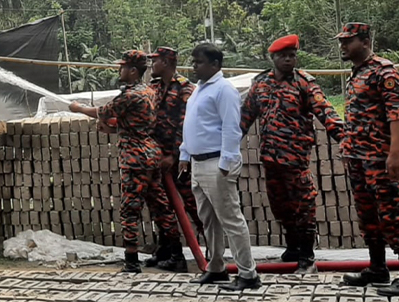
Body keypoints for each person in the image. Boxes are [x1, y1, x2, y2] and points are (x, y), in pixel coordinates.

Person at [68, 50, 184, 274]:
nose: (119, 70)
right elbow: (133, 123)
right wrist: (113, 129)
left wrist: (78, 108)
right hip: (151, 155)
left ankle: (131, 261)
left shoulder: (130, 95)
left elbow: (103, 111)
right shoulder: (150, 92)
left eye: (122, 67)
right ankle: (176, 254)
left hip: (135, 159)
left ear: (132, 71)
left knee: (130, 210)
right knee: (161, 207)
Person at [240, 34, 343, 274]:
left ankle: (307, 256)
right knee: (280, 206)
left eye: (292, 56)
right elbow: (244, 119)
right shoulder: (261, 84)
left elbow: (326, 113)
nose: (289, 60)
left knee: (303, 206)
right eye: (283, 56)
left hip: (295, 160)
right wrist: (225, 147)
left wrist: (346, 139)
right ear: (273, 57)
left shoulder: (304, 83)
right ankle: (293, 247)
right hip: (270, 160)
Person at [336, 23, 399, 297]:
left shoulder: (384, 71)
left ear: (364, 41)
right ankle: (377, 268)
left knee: (393, 215)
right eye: (341, 41)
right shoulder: (357, 73)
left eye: (347, 41)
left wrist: (395, 153)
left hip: (379, 159)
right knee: (368, 217)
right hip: (359, 159)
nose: (342, 46)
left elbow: (396, 114)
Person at [179, 43, 261, 291]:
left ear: (215, 65)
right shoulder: (198, 90)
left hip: (216, 163)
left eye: (199, 62)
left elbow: (231, 128)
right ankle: (216, 268)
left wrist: (227, 162)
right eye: (193, 61)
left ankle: (248, 274)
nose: (194, 66)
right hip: (198, 162)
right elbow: (191, 126)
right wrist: (185, 153)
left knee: (230, 219)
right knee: (208, 220)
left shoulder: (223, 90)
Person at [144, 46, 202, 272]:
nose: (152, 66)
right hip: (156, 158)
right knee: (161, 207)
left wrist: (174, 154)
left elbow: (186, 124)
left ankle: (212, 250)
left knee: (193, 203)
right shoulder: (154, 87)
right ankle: (167, 250)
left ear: (167, 63)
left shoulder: (186, 88)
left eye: (155, 61)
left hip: (180, 160)